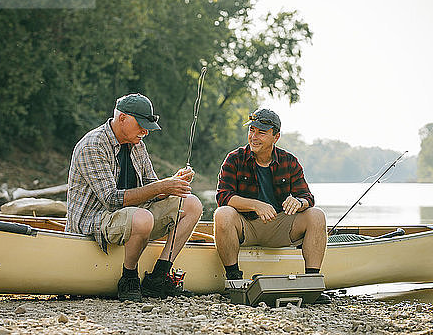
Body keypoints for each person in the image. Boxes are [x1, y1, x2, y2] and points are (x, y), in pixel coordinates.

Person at [66, 93, 203, 302]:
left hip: (132, 216)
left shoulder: (137, 143)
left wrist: (173, 183)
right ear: (122, 118)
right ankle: (129, 277)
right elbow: (111, 199)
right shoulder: (92, 145)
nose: (145, 132)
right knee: (142, 218)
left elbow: (151, 188)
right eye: (140, 125)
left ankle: (158, 277)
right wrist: (161, 186)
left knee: (191, 204)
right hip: (96, 219)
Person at [214, 108, 327, 282]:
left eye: (261, 132)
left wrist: (298, 202)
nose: (254, 136)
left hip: (280, 227)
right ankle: (234, 279)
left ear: (276, 137)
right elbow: (223, 196)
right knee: (222, 214)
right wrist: (255, 205)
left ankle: (312, 281)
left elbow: (308, 197)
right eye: (252, 130)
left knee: (317, 215)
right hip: (246, 227)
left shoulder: (289, 161)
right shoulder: (234, 158)